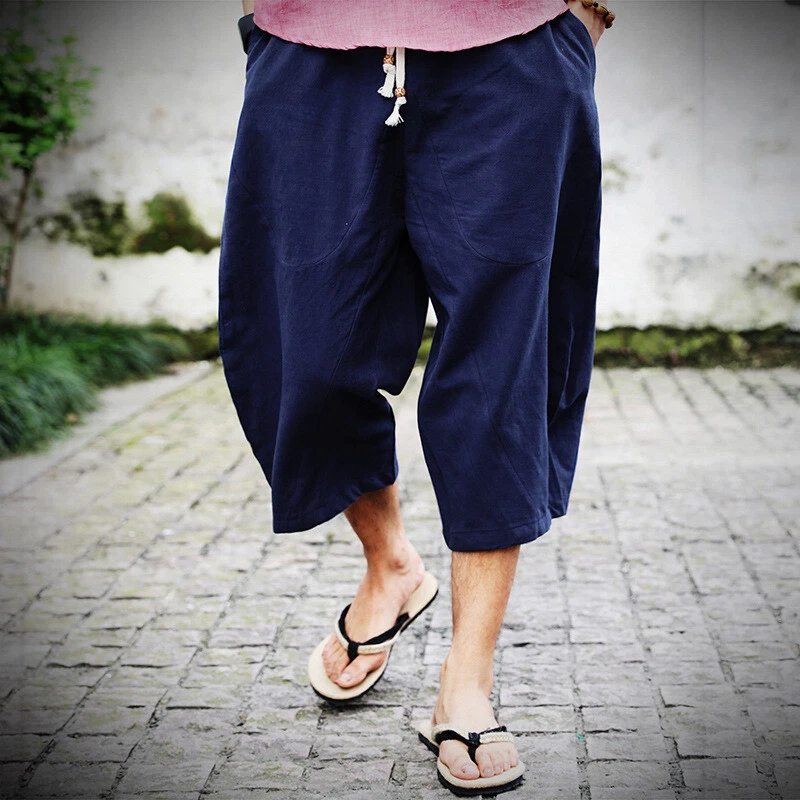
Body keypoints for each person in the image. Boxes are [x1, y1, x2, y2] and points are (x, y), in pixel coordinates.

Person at [220, 0, 613, 793]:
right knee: (304, 357)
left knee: (501, 369)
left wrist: (584, 16)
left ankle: (466, 683)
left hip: (514, 46)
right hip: (312, 46)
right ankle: (391, 564)